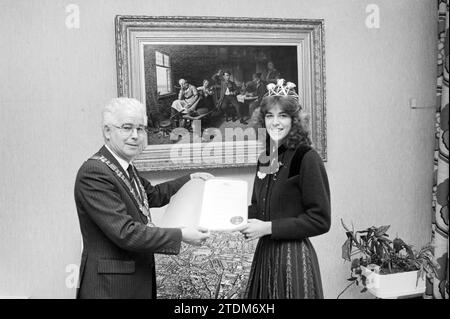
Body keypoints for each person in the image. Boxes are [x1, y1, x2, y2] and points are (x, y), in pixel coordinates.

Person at [74, 97, 212, 299]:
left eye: (141, 129)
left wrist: (190, 178)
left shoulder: (124, 167)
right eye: (127, 128)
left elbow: (152, 196)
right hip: (110, 288)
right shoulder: (95, 173)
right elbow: (125, 233)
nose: (135, 136)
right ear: (107, 132)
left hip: (131, 282)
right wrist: (180, 234)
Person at [239, 81, 331, 299]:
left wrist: (268, 228)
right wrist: (227, 214)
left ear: (295, 120)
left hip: (293, 259)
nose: (275, 122)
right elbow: (258, 209)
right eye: (269, 116)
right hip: (266, 255)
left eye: (283, 116)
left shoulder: (306, 157)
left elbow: (320, 219)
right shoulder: (266, 157)